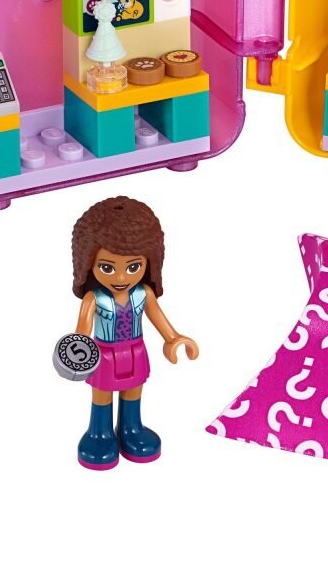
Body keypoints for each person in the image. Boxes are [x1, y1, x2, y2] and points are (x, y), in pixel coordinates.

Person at [71, 196, 198, 470]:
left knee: (133, 391)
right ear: (88, 263)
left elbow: (158, 317)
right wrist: (76, 353)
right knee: (102, 394)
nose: (120, 278)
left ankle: (131, 428)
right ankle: (99, 433)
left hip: (136, 350)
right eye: (107, 267)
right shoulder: (94, 298)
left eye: (133, 267)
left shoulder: (143, 293)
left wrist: (173, 338)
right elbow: (82, 331)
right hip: (104, 354)